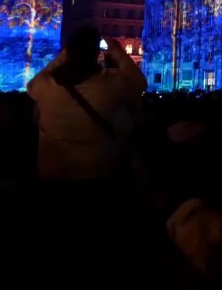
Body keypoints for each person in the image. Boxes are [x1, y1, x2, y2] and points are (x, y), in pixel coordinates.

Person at [28, 26, 147, 182]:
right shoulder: (111, 84)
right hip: (98, 174)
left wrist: (61, 57)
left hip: (53, 175)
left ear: (67, 53)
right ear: (96, 53)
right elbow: (140, 83)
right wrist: (118, 52)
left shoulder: (46, 86)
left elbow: (31, 85)